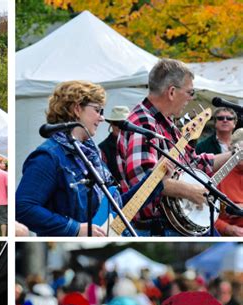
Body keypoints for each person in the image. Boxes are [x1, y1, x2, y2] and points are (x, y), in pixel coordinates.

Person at [16, 80, 160, 237]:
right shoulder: (48, 157)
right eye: (98, 110)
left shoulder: (92, 155)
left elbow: (115, 208)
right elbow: (23, 207)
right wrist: (75, 229)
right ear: (77, 109)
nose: (102, 118)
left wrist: (155, 180)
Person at [117, 58, 232, 236]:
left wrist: (235, 155)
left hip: (173, 224)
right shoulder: (143, 122)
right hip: (154, 229)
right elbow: (143, 181)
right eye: (190, 92)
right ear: (171, 92)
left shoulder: (166, 123)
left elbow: (193, 162)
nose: (191, 98)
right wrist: (190, 191)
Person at [215, 128, 243, 236]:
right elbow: (205, 215)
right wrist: (227, 228)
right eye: (238, 150)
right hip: (224, 233)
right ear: (230, 149)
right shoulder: (218, 173)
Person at [98, 105, 130, 184]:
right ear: (111, 124)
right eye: (116, 123)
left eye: (123, 123)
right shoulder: (103, 148)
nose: (119, 127)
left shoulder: (135, 142)